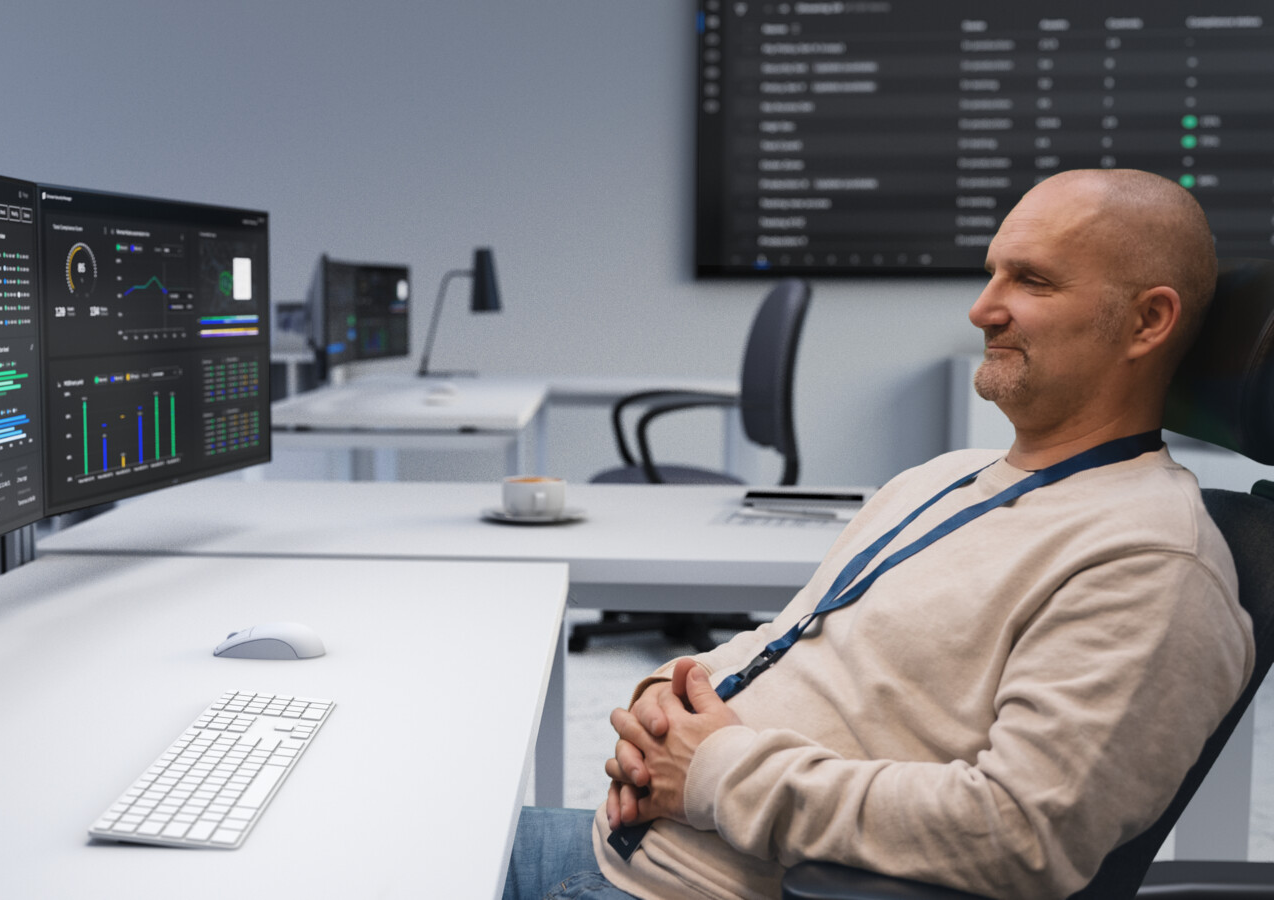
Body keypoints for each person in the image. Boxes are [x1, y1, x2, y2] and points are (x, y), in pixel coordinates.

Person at [503, 168, 1256, 900]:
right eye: (992, 273)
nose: (983, 308)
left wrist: (710, 772)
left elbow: (1022, 833)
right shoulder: (946, 476)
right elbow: (792, 641)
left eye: (1032, 281)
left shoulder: (1152, 560)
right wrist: (664, 702)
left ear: (1148, 320)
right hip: (624, 846)